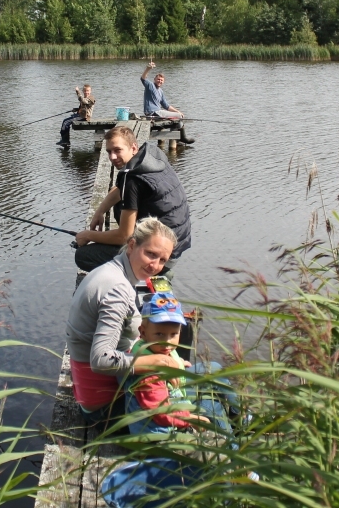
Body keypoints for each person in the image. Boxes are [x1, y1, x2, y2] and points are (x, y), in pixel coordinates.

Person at [65, 219, 180, 424]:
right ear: (132, 244)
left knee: (209, 372)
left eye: (162, 260)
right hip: (105, 406)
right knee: (205, 395)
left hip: (98, 391)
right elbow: (101, 360)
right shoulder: (117, 290)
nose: (155, 266)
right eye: (151, 254)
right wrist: (159, 362)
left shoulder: (114, 270)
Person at [74, 126, 192, 272]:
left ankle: (139, 276)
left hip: (160, 260)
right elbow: (118, 190)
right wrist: (100, 212)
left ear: (133, 148)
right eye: (109, 152)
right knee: (119, 195)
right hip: (175, 247)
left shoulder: (132, 180)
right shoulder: (151, 158)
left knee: (83, 255)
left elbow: (124, 236)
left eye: (117, 150)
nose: (112, 157)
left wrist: (88, 235)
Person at [123, 292, 209, 434]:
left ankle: (240, 418)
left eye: (173, 334)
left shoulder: (154, 348)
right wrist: (192, 420)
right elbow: (161, 413)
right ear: (143, 333)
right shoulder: (149, 375)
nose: (167, 342)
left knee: (213, 372)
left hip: (175, 409)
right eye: (159, 335)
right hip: (160, 439)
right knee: (214, 411)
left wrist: (179, 361)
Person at [140, 62, 194, 144]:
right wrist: (148, 68)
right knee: (179, 117)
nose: (160, 81)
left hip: (158, 113)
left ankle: (176, 139)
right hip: (153, 113)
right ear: (154, 79)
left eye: (161, 80)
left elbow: (166, 105)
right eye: (158, 79)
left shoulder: (160, 91)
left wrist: (177, 111)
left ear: (163, 82)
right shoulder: (150, 86)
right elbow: (143, 78)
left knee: (178, 116)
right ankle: (182, 138)